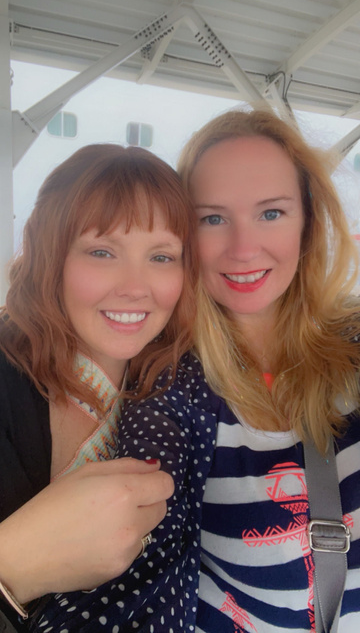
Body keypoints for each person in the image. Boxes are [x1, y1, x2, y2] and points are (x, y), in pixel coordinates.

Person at [31, 109, 360, 633]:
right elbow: (132, 586)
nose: (243, 249)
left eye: (271, 213)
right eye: (212, 218)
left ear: (309, 221)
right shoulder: (173, 389)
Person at [0, 143, 198, 632]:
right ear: (52, 255)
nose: (135, 286)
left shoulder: (184, 389)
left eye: (161, 256)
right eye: (102, 251)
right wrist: (14, 566)